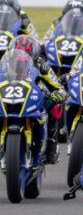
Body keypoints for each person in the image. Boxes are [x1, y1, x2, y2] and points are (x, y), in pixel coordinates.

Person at [6, 35, 67, 163]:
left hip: (34, 97)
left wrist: (59, 93)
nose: (21, 60)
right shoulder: (4, 64)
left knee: (55, 106)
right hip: (8, 95)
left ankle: (52, 144)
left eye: (25, 57)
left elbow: (57, 85)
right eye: (17, 56)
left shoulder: (41, 64)